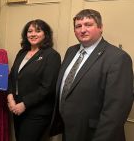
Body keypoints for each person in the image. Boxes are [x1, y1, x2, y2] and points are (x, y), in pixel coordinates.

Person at [50, 9, 133, 141]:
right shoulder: (71, 51)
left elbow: (116, 111)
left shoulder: (118, 58)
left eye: (88, 25)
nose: (82, 30)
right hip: (69, 130)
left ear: (100, 28)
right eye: (78, 26)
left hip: (95, 134)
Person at [7, 19, 61, 141]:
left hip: (37, 113)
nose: (33, 34)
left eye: (38, 31)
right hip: (17, 109)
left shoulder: (51, 55)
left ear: (45, 34)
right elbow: (12, 77)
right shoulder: (22, 52)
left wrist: (24, 104)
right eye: (30, 31)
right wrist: (10, 98)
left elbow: (48, 87)